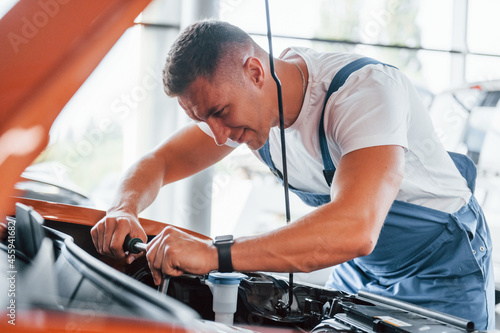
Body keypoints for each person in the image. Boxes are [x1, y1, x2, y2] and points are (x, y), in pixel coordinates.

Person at [90, 20, 494, 329]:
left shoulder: (361, 92)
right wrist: (123, 209)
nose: (218, 135)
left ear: (254, 72)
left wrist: (215, 254)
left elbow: (356, 227)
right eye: (202, 119)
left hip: (441, 268)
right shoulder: (250, 111)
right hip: (363, 269)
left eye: (218, 113)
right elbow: (160, 161)